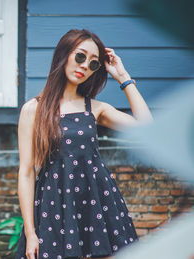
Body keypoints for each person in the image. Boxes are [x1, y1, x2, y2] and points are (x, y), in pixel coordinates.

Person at [15, 29, 153, 259]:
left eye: (94, 63)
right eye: (80, 56)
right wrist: (30, 232)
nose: (85, 66)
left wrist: (123, 77)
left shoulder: (95, 109)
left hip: (97, 202)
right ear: (64, 54)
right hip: (54, 205)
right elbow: (26, 172)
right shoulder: (33, 109)